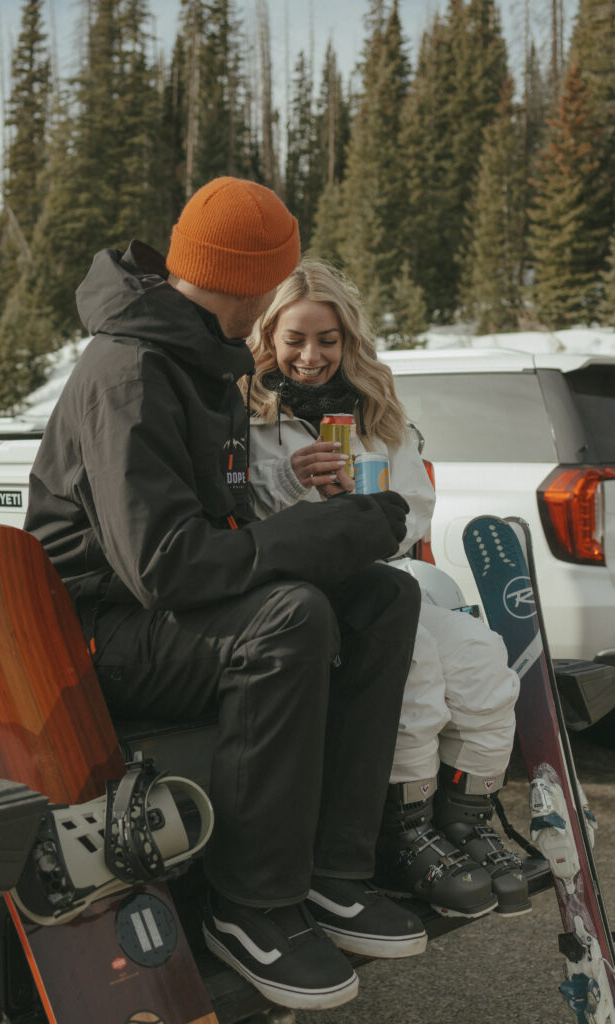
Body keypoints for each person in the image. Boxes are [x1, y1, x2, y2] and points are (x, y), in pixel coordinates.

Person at [25, 178, 427, 1012]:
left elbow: (227, 529)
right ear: (249, 284)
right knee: (291, 617)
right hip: (97, 633)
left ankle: (332, 873)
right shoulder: (131, 371)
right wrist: (319, 538)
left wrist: (343, 525)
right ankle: (251, 907)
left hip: (165, 613)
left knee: (383, 597)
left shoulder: (201, 364)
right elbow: (165, 565)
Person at [244, 258, 531, 920]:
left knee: (480, 656)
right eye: (294, 339)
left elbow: (415, 508)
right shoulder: (246, 410)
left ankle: (464, 822)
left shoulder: (372, 408)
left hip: (378, 576)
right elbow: (239, 523)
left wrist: (366, 511)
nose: (311, 356)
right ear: (267, 337)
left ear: (348, 339)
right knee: (418, 664)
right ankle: (397, 834)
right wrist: (293, 485)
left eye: (327, 339)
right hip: (299, 595)